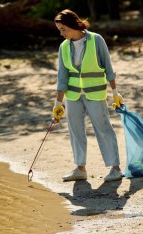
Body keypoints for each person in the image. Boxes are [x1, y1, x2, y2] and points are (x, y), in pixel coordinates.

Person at [52, 9, 124, 182]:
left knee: (104, 128)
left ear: (72, 25)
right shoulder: (64, 47)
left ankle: (115, 168)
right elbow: (62, 76)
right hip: (73, 95)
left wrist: (115, 93)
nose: (62, 34)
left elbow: (108, 68)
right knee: (75, 130)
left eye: (63, 29)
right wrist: (58, 103)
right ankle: (80, 168)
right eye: (59, 30)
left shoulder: (96, 40)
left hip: (95, 93)